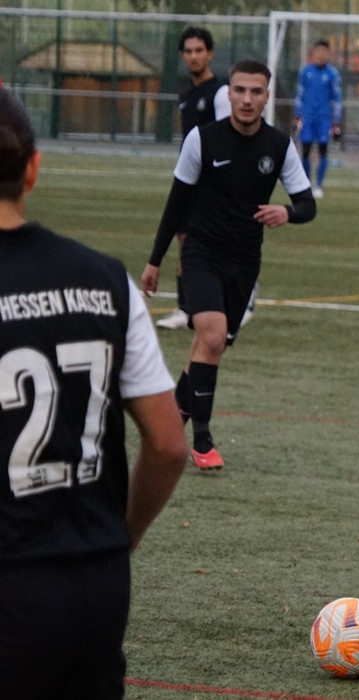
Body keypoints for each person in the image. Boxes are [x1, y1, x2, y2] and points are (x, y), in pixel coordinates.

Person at [0, 88, 188, 699]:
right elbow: (168, 444)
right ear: (34, 168)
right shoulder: (106, 278)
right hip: (97, 581)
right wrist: (120, 536)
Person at [141, 60, 316, 470]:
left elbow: (307, 204)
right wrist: (155, 261)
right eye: (239, 90)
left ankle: (168, 430)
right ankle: (202, 442)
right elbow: (176, 203)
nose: (247, 99)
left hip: (245, 260)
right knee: (212, 334)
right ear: (229, 94)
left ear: (267, 97)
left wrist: (287, 212)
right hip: (200, 253)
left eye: (256, 92)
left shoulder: (279, 145)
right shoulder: (202, 139)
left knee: (210, 346)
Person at [157, 26, 232, 332]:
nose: (193, 56)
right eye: (188, 51)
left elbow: (228, 138)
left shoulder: (221, 93)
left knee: (209, 245)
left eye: (199, 50)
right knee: (185, 242)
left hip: (211, 183)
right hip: (189, 181)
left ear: (210, 53)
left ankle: (217, 302)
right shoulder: (186, 95)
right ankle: (186, 308)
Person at [294, 38, 343, 199]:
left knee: (323, 150)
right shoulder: (305, 72)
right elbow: (300, 95)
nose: (321, 55)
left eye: (324, 52)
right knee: (305, 150)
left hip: (324, 119)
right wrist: (297, 116)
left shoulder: (332, 74)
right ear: (314, 53)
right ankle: (306, 185)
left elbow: (337, 99)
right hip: (308, 118)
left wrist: (336, 122)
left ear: (328, 54)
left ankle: (319, 186)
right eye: (318, 52)